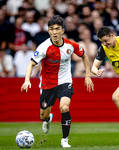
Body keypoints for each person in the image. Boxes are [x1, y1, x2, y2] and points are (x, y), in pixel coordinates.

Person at [21, 15, 94, 148]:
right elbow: (31, 64)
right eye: (51, 29)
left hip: (65, 82)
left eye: (57, 29)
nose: (54, 32)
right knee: (43, 115)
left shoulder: (70, 45)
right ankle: (47, 119)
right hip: (47, 84)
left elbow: (84, 56)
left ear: (62, 30)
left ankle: (64, 140)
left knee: (64, 107)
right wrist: (27, 80)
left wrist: (87, 76)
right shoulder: (43, 47)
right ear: (48, 31)